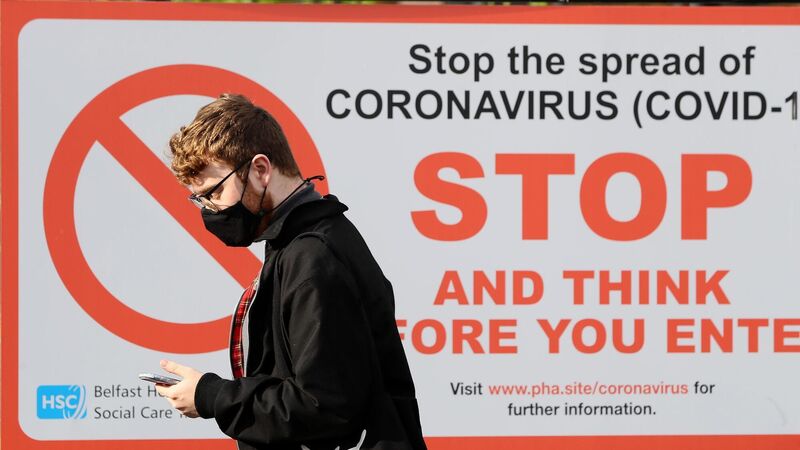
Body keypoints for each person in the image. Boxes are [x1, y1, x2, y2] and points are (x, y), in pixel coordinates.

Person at [156, 93, 426, 450]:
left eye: (214, 192)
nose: (209, 210)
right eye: (200, 200)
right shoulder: (301, 244)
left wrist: (212, 396)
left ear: (260, 170)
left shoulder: (313, 257)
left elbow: (323, 407)